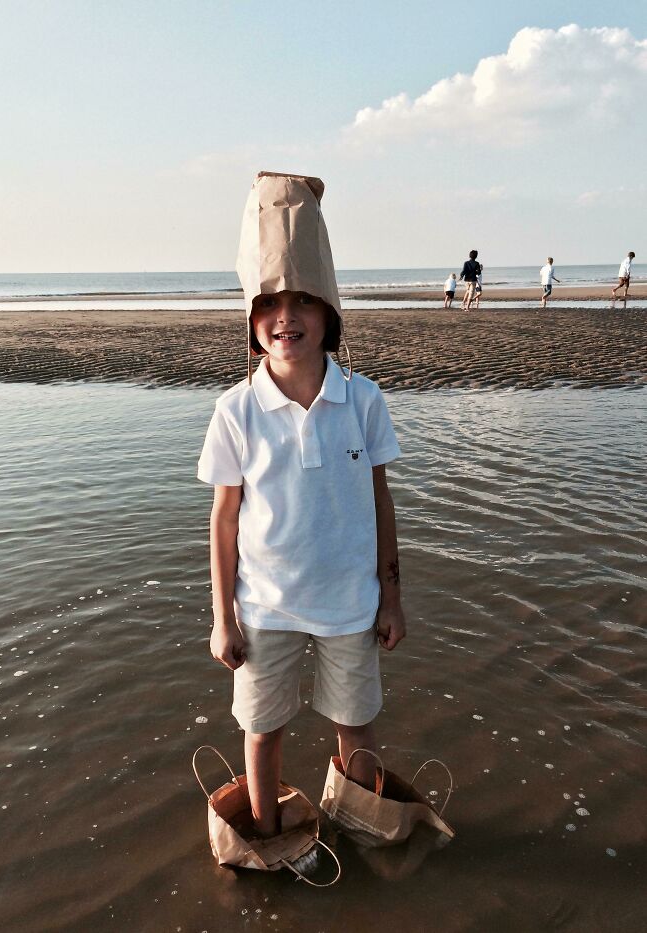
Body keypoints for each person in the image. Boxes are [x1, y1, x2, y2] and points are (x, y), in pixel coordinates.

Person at [197, 172, 406, 862]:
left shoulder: (363, 399)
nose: (286, 317)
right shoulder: (236, 408)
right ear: (252, 321)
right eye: (270, 304)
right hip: (264, 605)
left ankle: (362, 826)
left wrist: (391, 596)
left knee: (357, 723)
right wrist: (224, 616)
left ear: (329, 313)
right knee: (262, 729)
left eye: (303, 301)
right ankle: (267, 835)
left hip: (351, 602)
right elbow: (224, 520)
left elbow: (380, 500)